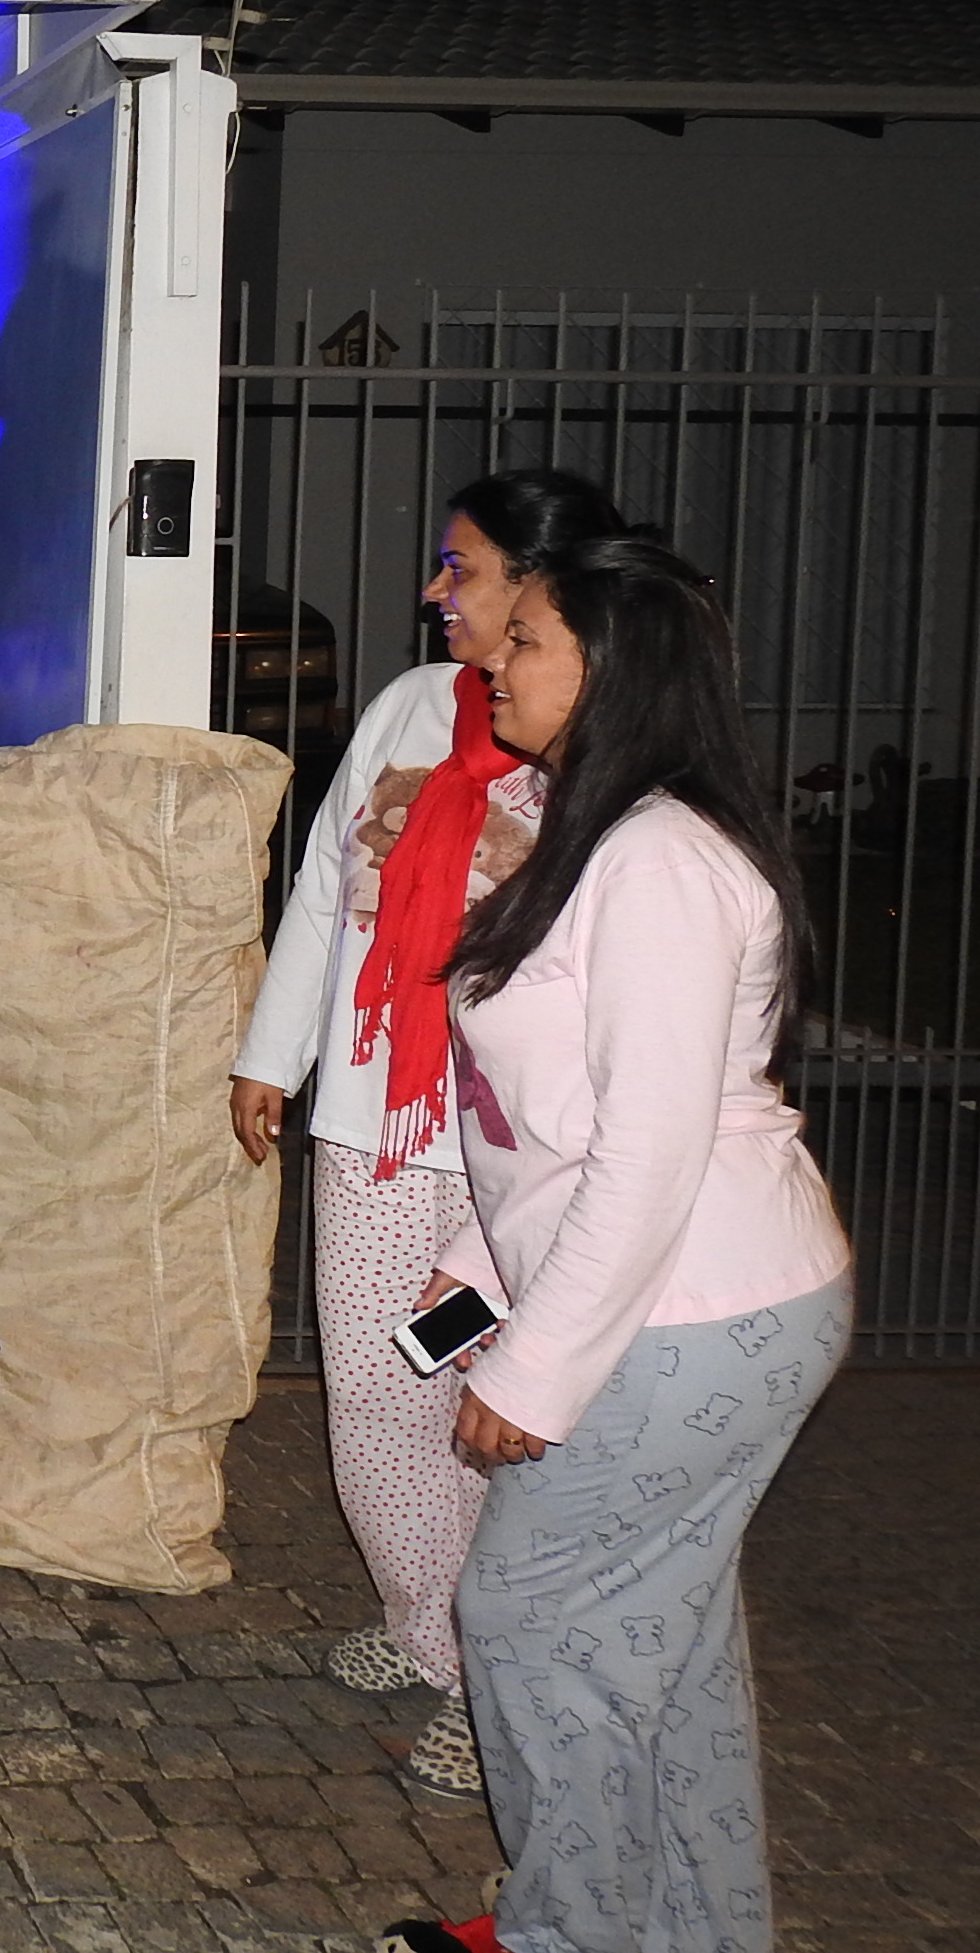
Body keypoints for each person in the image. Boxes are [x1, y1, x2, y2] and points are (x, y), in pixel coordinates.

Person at [373, 538, 851, 1953]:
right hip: (688, 1294)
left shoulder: (657, 860)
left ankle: (572, 1934)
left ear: (614, 671)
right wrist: (484, 1261)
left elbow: (649, 1151)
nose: (494, 659)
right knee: (663, 1644)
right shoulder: (608, 834)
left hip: (689, 1309)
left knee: (534, 1624)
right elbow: (558, 1111)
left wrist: (534, 1369)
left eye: (527, 639)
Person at [229, 468, 626, 1798]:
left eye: (464, 569)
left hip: (525, 1154)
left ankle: (497, 1681)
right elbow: (324, 888)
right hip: (376, 1127)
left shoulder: (605, 751)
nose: (436, 591)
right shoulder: (408, 705)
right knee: (380, 1398)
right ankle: (428, 1629)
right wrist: (273, 1053)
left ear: (544, 585)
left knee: (507, 1413)